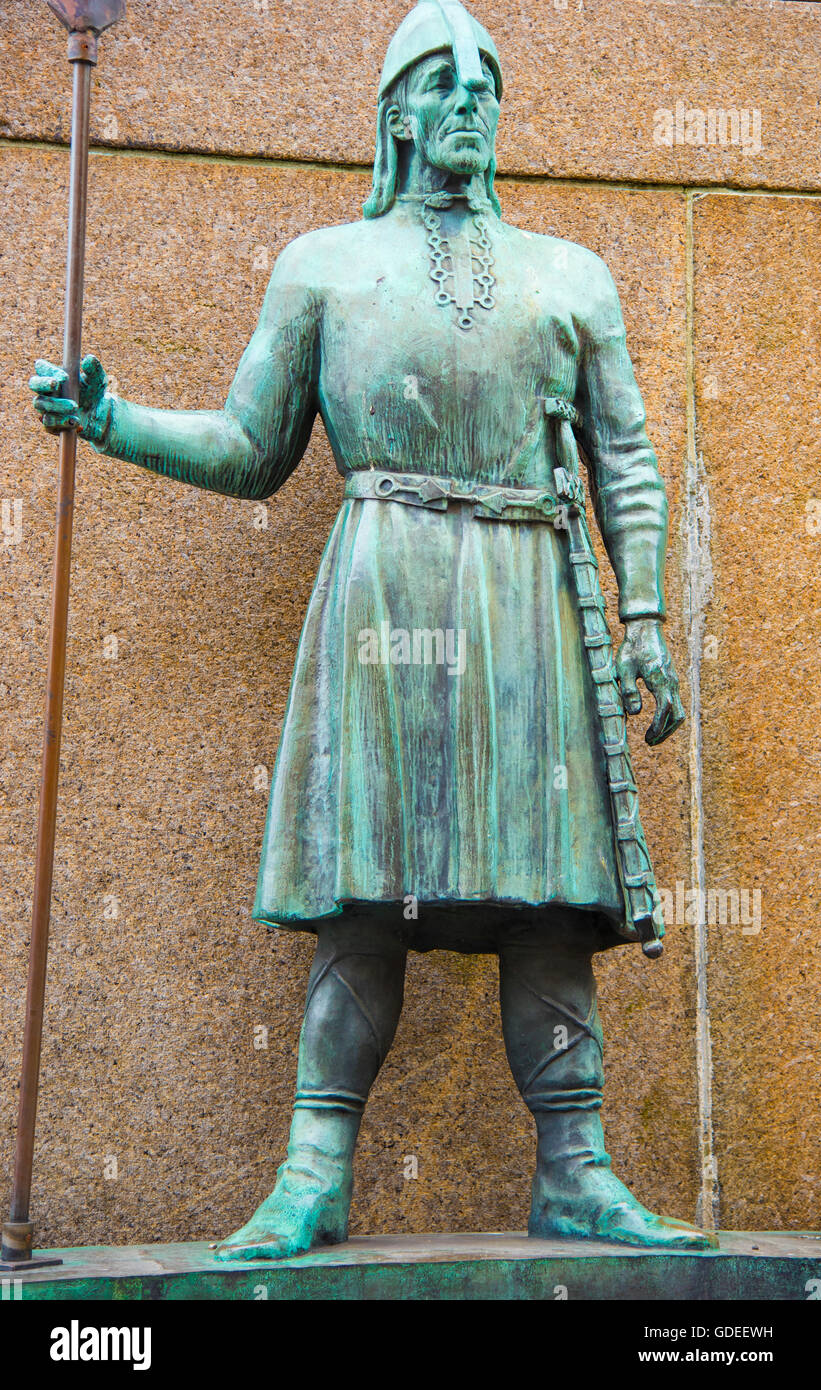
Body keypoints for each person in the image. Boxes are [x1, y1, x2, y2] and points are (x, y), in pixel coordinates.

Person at [30, 0, 712, 1257]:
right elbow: (250, 448)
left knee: (552, 900)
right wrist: (111, 422)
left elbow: (627, 458)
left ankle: (576, 1168)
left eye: (486, 87)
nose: (468, 105)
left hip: (531, 599)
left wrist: (647, 617)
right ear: (394, 114)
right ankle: (312, 1172)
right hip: (385, 588)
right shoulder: (324, 268)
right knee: (366, 893)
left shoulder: (574, 276)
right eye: (442, 87)